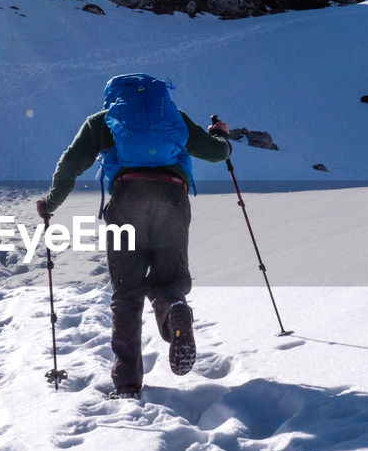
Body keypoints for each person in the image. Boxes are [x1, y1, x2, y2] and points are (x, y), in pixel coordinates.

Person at [36, 75, 232, 399]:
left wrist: (51, 202)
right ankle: (173, 311)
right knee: (169, 279)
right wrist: (223, 138)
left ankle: (127, 385)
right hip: (173, 198)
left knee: (127, 294)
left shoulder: (104, 120)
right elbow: (215, 153)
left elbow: (71, 162)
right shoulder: (173, 117)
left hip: (127, 200)